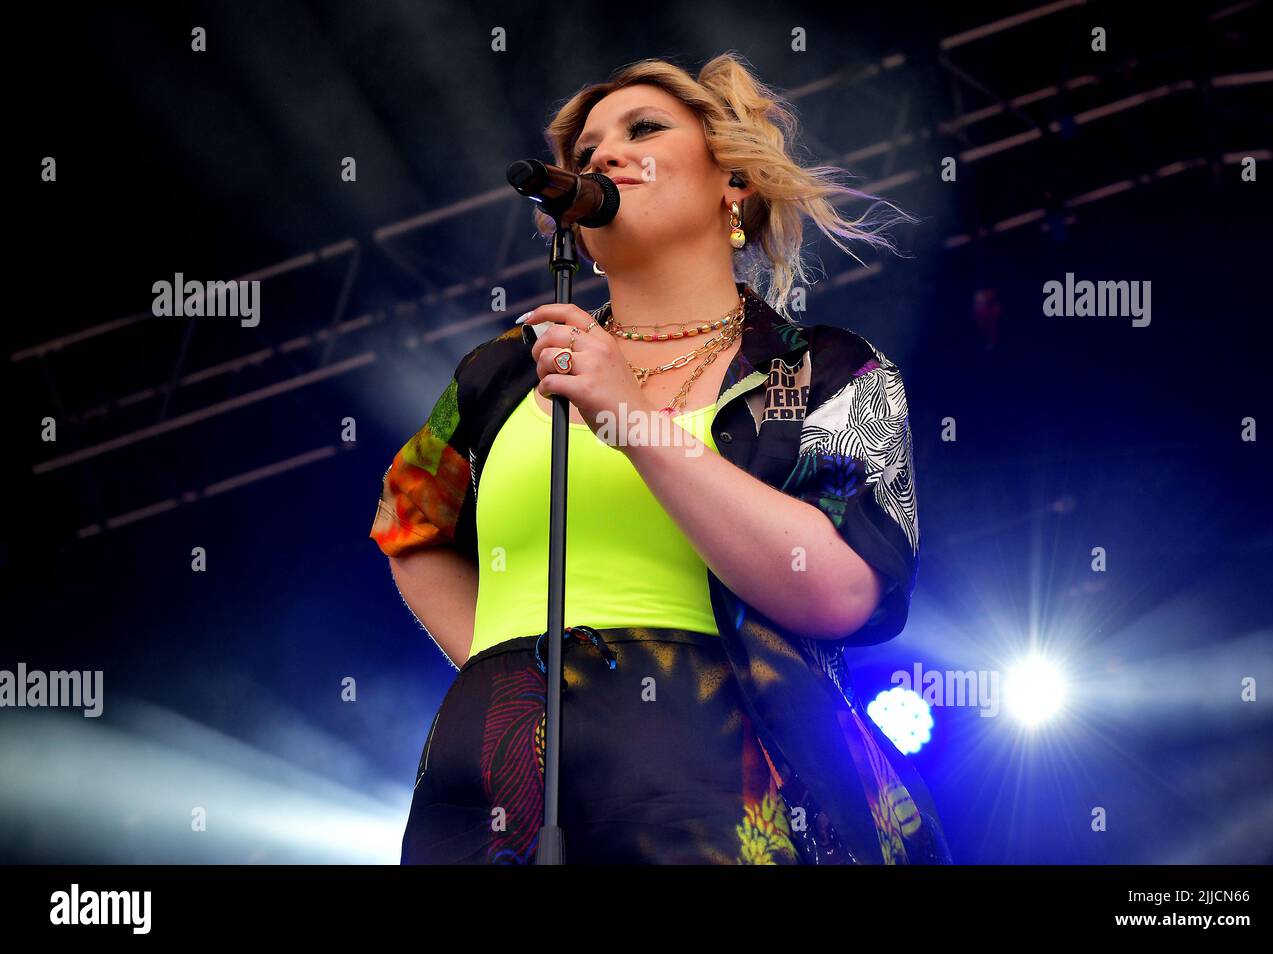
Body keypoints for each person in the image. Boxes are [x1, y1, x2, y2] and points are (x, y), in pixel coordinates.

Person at [368, 52, 952, 865]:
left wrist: (634, 421)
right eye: (583, 153)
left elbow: (850, 590)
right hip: (497, 783)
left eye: (642, 130)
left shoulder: (830, 369)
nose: (601, 156)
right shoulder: (504, 368)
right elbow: (408, 524)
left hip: (714, 765)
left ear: (733, 184)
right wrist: (525, 677)